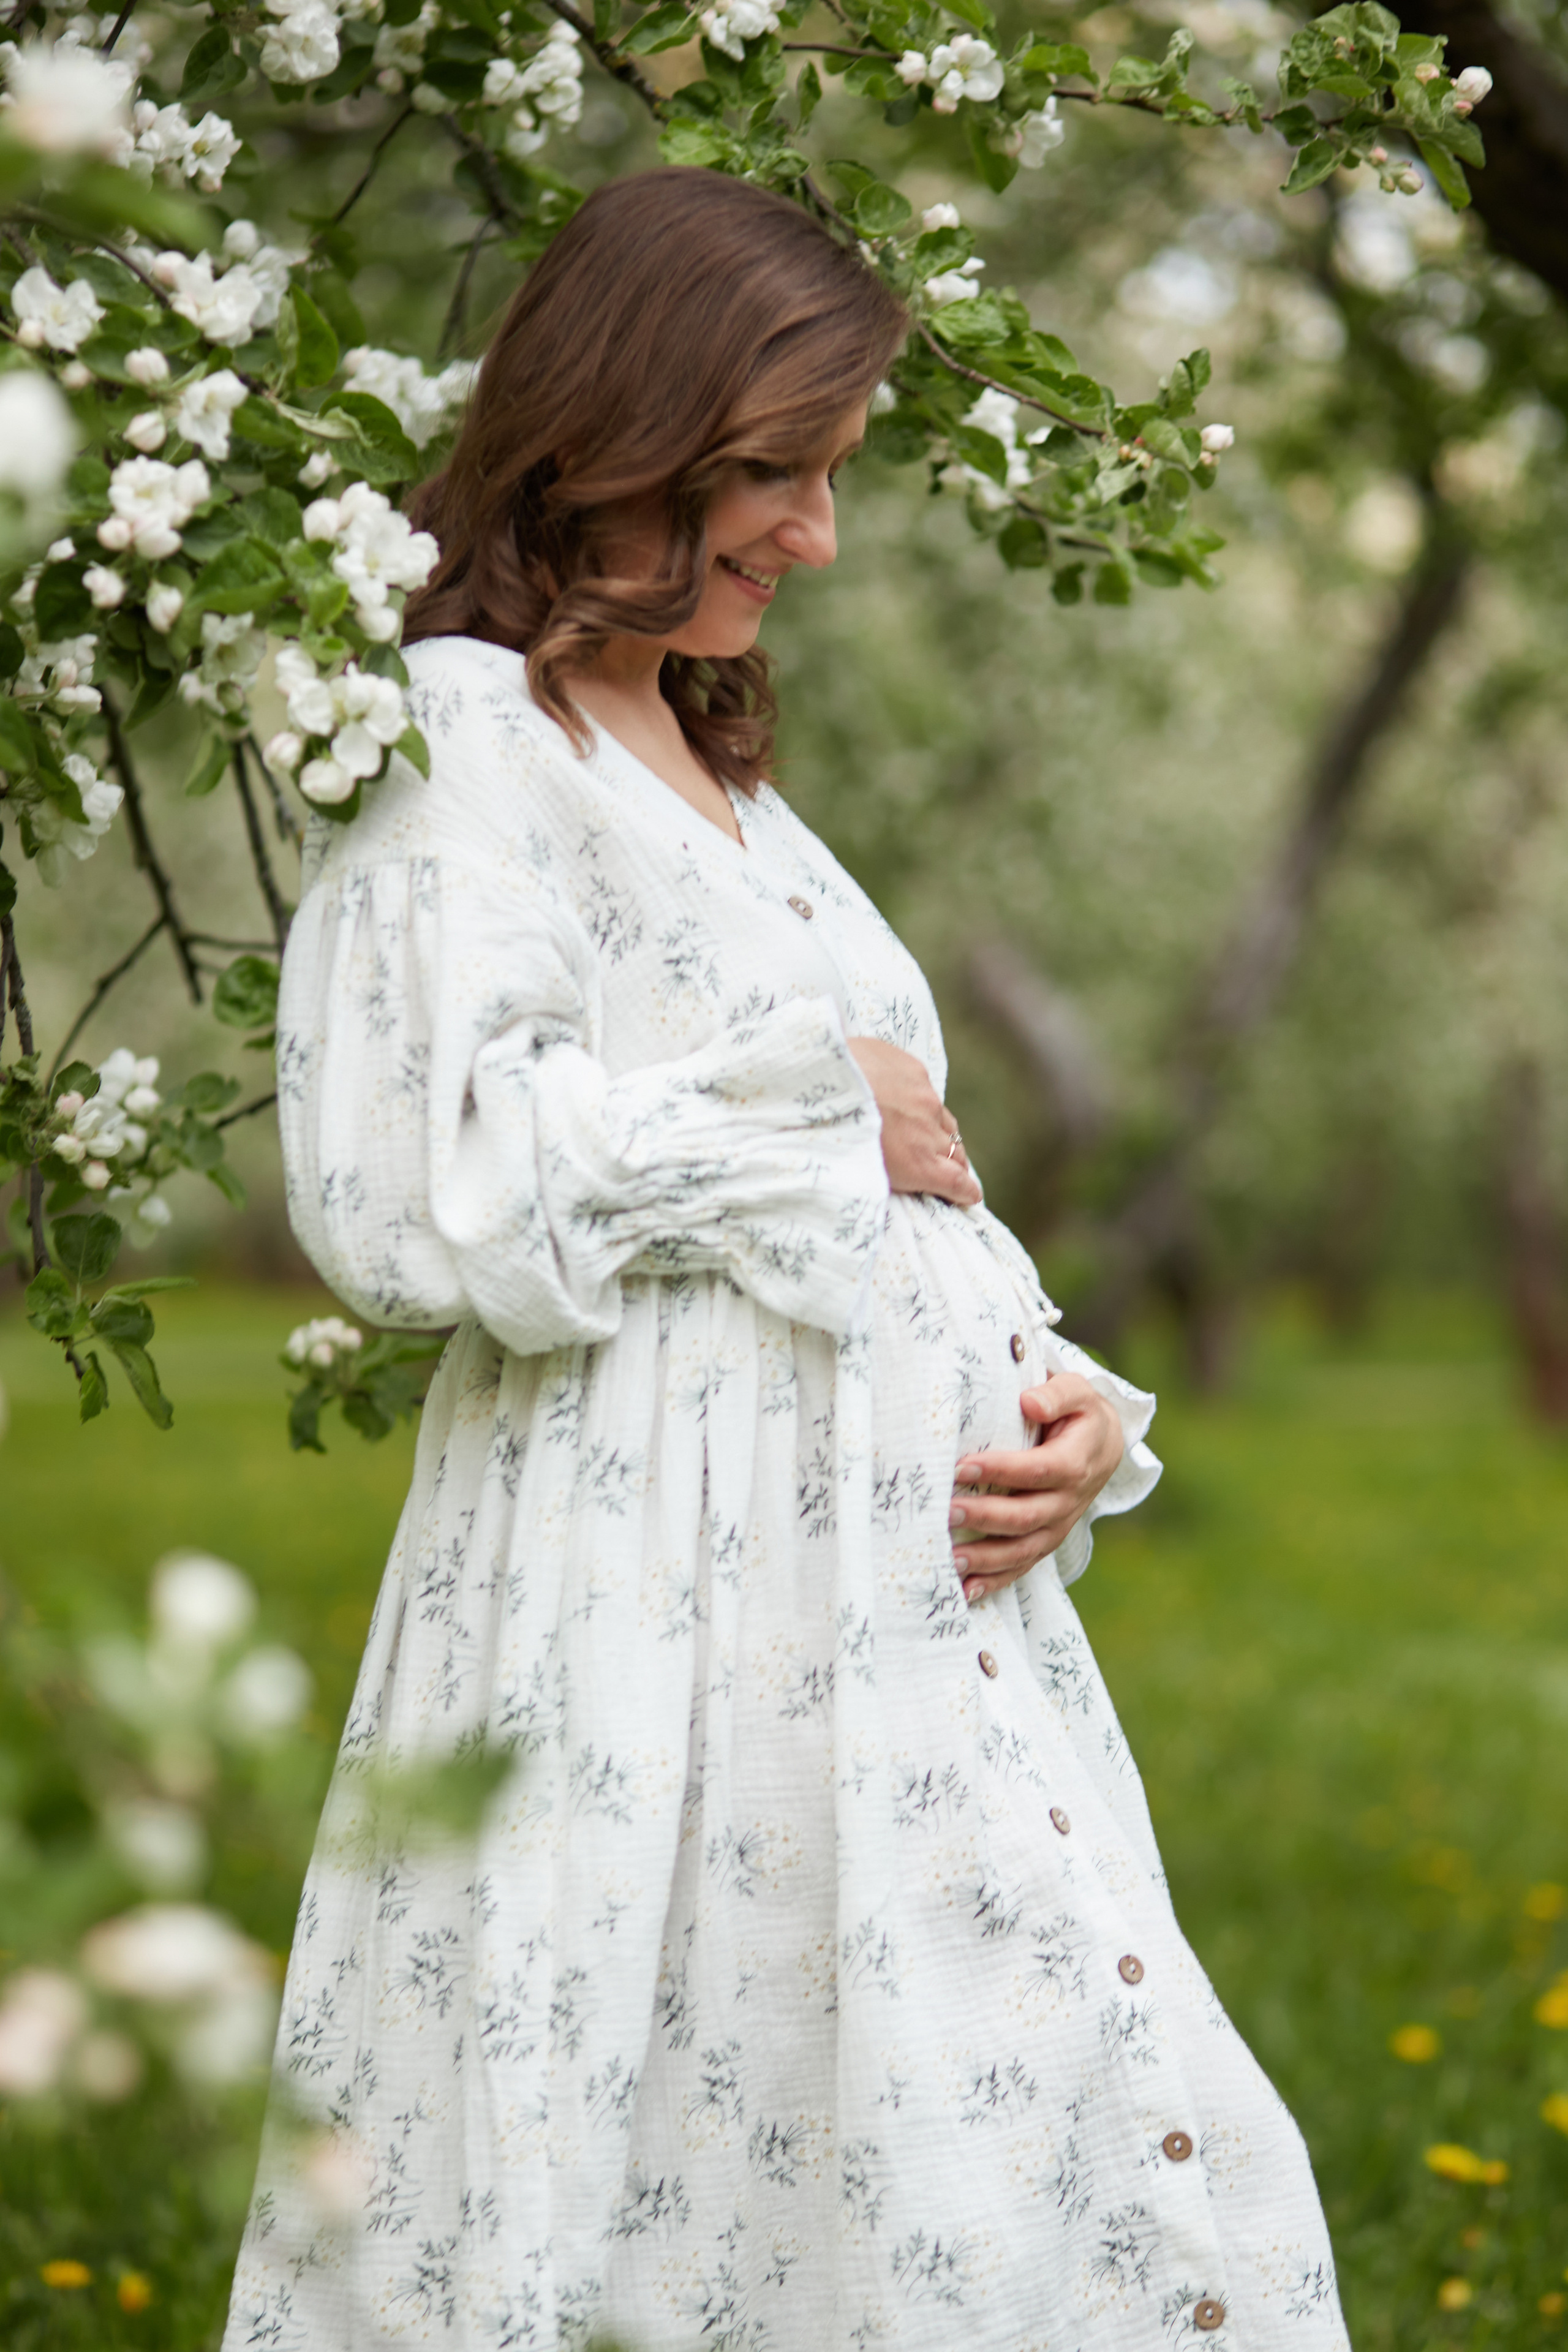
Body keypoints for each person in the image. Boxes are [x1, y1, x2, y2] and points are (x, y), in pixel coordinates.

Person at [225, 168, 1347, 2352]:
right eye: (777, 478)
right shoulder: (467, 742)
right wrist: (811, 1094)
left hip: (883, 1617)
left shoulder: (716, 765)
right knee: (677, 2151)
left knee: (969, 2145)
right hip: (662, 1605)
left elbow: (891, 1192)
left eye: (829, 482)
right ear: (622, 425)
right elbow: (418, 1183)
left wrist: (1060, 1417)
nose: (816, 542)